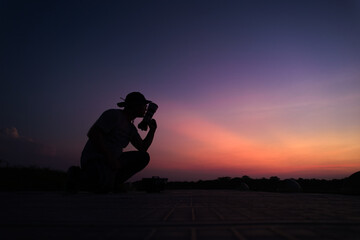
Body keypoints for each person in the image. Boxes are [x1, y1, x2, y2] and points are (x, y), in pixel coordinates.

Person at [72, 92, 157, 193]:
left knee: (143, 157)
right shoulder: (114, 115)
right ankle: (78, 176)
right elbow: (94, 134)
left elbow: (142, 148)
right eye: (144, 106)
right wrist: (110, 157)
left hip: (113, 161)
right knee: (96, 184)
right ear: (135, 106)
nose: (146, 109)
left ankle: (113, 182)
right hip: (97, 160)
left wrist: (152, 130)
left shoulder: (131, 128)